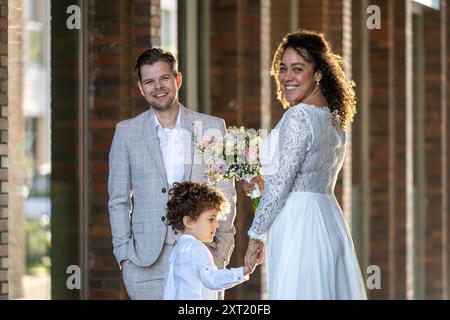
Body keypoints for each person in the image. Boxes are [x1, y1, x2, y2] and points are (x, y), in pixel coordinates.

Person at [243, 29, 367, 299]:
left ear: (319, 73)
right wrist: (263, 184)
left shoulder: (299, 117)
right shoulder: (334, 118)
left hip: (299, 228)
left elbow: (280, 186)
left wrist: (256, 236)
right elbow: (305, 177)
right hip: (328, 220)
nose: (287, 77)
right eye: (283, 68)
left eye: (297, 69)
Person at [108, 48, 237, 300]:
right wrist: (124, 257)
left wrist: (221, 252)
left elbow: (226, 195)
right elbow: (118, 200)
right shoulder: (126, 133)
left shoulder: (212, 127)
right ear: (141, 88)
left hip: (202, 257)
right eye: (149, 81)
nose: (158, 86)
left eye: (164, 78)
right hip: (146, 265)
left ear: (177, 79)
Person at [163, 182, 259, 300]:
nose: (217, 225)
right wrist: (244, 271)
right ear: (189, 222)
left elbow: (169, 291)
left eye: (217, 219)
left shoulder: (177, 249)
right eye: (211, 219)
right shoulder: (196, 248)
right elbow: (212, 279)